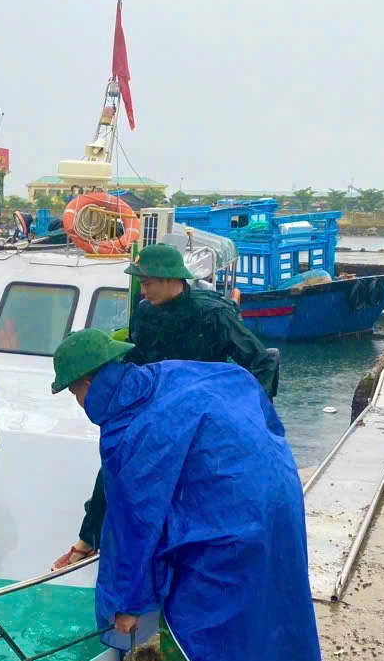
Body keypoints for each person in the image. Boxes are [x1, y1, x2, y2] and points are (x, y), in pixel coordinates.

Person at [50, 329, 321, 661]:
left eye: (75, 394)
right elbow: (244, 383)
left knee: (188, 621)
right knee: (226, 606)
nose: (79, 406)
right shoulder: (169, 376)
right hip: (274, 492)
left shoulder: (132, 427)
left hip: (229, 518)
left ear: (87, 384)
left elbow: (136, 526)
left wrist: (127, 604)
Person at [57, 243, 279, 569]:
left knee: (198, 488)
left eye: (147, 283)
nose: (143, 290)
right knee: (116, 461)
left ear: (171, 279)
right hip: (157, 408)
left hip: (202, 414)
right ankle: (89, 539)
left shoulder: (213, 314)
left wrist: (249, 416)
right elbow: (138, 358)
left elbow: (260, 361)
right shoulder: (145, 313)